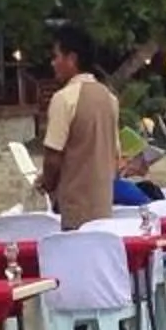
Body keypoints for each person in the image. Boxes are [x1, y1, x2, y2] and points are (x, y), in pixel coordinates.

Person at [36, 21, 121, 228]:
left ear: (71, 59)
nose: (53, 63)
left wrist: (47, 183)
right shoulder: (110, 98)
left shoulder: (64, 99)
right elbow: (115, 155)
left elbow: (53, 157)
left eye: (56, 56)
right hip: (104, 207)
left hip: (74, 209)